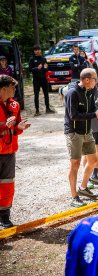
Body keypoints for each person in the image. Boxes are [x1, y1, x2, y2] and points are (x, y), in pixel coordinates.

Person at [64, 68, 98, 207]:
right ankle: (74, 197)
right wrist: (95, 115)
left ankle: (83, 188)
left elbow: (92, 111)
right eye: (95, 79)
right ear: (86, 80)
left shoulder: (91, 92)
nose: (96, 81)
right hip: (74, 132)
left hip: (87, 132)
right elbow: (73, 115)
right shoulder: (72, 93)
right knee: (75, 164)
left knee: (93, 160)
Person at [0, 75, 31, 228]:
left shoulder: (15, 105)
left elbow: (15, 128)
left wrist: (19, 127)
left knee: (7, 185)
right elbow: (5, 127)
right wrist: (5, 126)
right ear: (3, 88)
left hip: (9, 152)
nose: (15, 90)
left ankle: (5, 218)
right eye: (12, 87)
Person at [29, 45, 55, 116]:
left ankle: (48, 108)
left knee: (46, 94)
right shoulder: (32, 59)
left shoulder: (43, 59)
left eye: (38, 50)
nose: (37, 51)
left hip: (43, 79)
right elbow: (30, 69)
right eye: (35, 50)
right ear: (34, 51)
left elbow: (45, 69)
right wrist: (37, 68)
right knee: (36, 95)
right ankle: (37, 110)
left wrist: (46, 68)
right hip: (36, 80)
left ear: (40, 50)